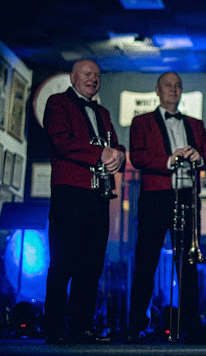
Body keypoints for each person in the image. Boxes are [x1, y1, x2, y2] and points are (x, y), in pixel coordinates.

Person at [127, 72, 206, 344]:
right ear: (157, 90)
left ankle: (192, 328)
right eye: (168, 85)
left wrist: (197, 156)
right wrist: (171, 159)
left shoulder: (195, 123)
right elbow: (138, 156)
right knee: (146, 262)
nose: (174, 89)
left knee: (188, 263)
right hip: (155, 197)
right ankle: (135, 327)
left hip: (187, 196)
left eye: (178, 86)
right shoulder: (141, 121)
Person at [43, 59, 126, 344]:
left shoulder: (102, 111)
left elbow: (114, 143)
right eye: (88, 74)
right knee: (62, 263)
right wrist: (100, 154)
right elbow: (60, 140)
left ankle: (81, 327)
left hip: (98, 195)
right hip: (70, 194)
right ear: (73, 77)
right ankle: (54, 329)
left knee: (91, 266)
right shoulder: (57, 103)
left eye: (98, 76)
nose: (94, 79)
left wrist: (120, 155)